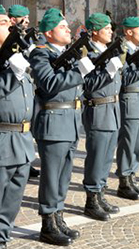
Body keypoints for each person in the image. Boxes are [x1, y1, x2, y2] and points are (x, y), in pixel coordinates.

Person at [29, 8, 95, 246]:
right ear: (49, 33)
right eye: (63, 27)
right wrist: (79, 72)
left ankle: (58, 216)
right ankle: (47, 223)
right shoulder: (40, 54)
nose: (68, 29)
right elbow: (48, 83)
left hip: (70, 121)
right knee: (51, 175)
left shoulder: (68, 53)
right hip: (53, 121)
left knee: (65, 174)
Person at [82, 13, 124, 221]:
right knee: (96, 156)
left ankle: (100, 194)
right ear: (95, 31)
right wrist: (108, 72)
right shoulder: (87, 53)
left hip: (112, 109)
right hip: (98, 109)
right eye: (106, 28)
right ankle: (91, 200)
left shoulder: (108, 51)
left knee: (107, 157)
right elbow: (88, 85)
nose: (110, 31)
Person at [0, 5, 35, 249]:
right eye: (3, 23)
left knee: (12, 198)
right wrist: (12, 73)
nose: (9, 26)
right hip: (1, 138)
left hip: (22, 139)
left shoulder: (14, 55)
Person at [115, 16, 139, 198]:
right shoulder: (121, 51)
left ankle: (132, 177)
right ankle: (124, 181)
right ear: (129, 32)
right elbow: (125, 79)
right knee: (128, 143)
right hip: (129, 98)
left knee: (137, 144)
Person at [8, 4, 40, 178]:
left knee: (27, 129)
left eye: (27, 18)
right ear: (13, 19)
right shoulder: (10, 38)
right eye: (23, 18)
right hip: (12, 88)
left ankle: (26, 163)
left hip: (28, 86)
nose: (27, 21)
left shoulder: (25, 37)